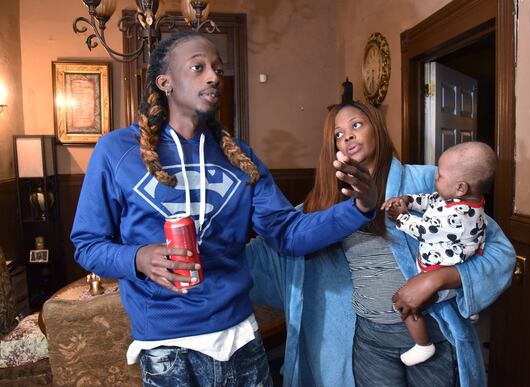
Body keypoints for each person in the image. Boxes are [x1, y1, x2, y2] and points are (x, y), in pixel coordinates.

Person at [70, 31, 378, 387]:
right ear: (165, 82)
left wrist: (359, 207)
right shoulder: (116, 151)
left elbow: (289, 234)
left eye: (217, 68)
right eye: (198, 68)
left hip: (240, 338)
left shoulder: (241, 158)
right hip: (165, 346)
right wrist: (139, 258)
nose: (213, 76)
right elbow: (87, 245)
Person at [247, 98, 515, 387]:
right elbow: (270, 250)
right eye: (337, 134)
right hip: (370, 343)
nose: (347, 135)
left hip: (433, 332)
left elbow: (499, 253)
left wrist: (438, 279)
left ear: (376, 129)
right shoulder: (322, 208)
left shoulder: (430, 183)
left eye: (356, 125)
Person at [381, 141, 497, 366]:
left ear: (461, 187)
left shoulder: (456, 219)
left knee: (403, 302)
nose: (435, 177)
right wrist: (409, 200)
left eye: (440, 175)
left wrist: (401, 218)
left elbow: (425, 230)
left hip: (437, 271)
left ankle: (423, 345)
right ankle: (469, 305)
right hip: (460, 257)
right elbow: (432, 200)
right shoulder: (464, 202)